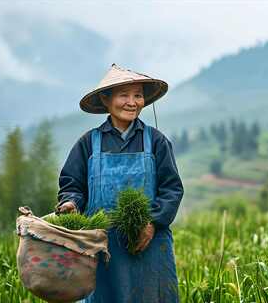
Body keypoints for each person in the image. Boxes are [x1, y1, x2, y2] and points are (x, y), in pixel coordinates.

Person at [55, 64, 184, 303]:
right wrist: (71, 203)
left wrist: (152, 222)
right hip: (101, 248)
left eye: (138, 95)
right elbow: (72, 184)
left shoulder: (156, 141)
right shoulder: (88, 144)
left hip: (148, 244)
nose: (132, 102)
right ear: (106, 99)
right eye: (124, 95)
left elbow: (172, 189)